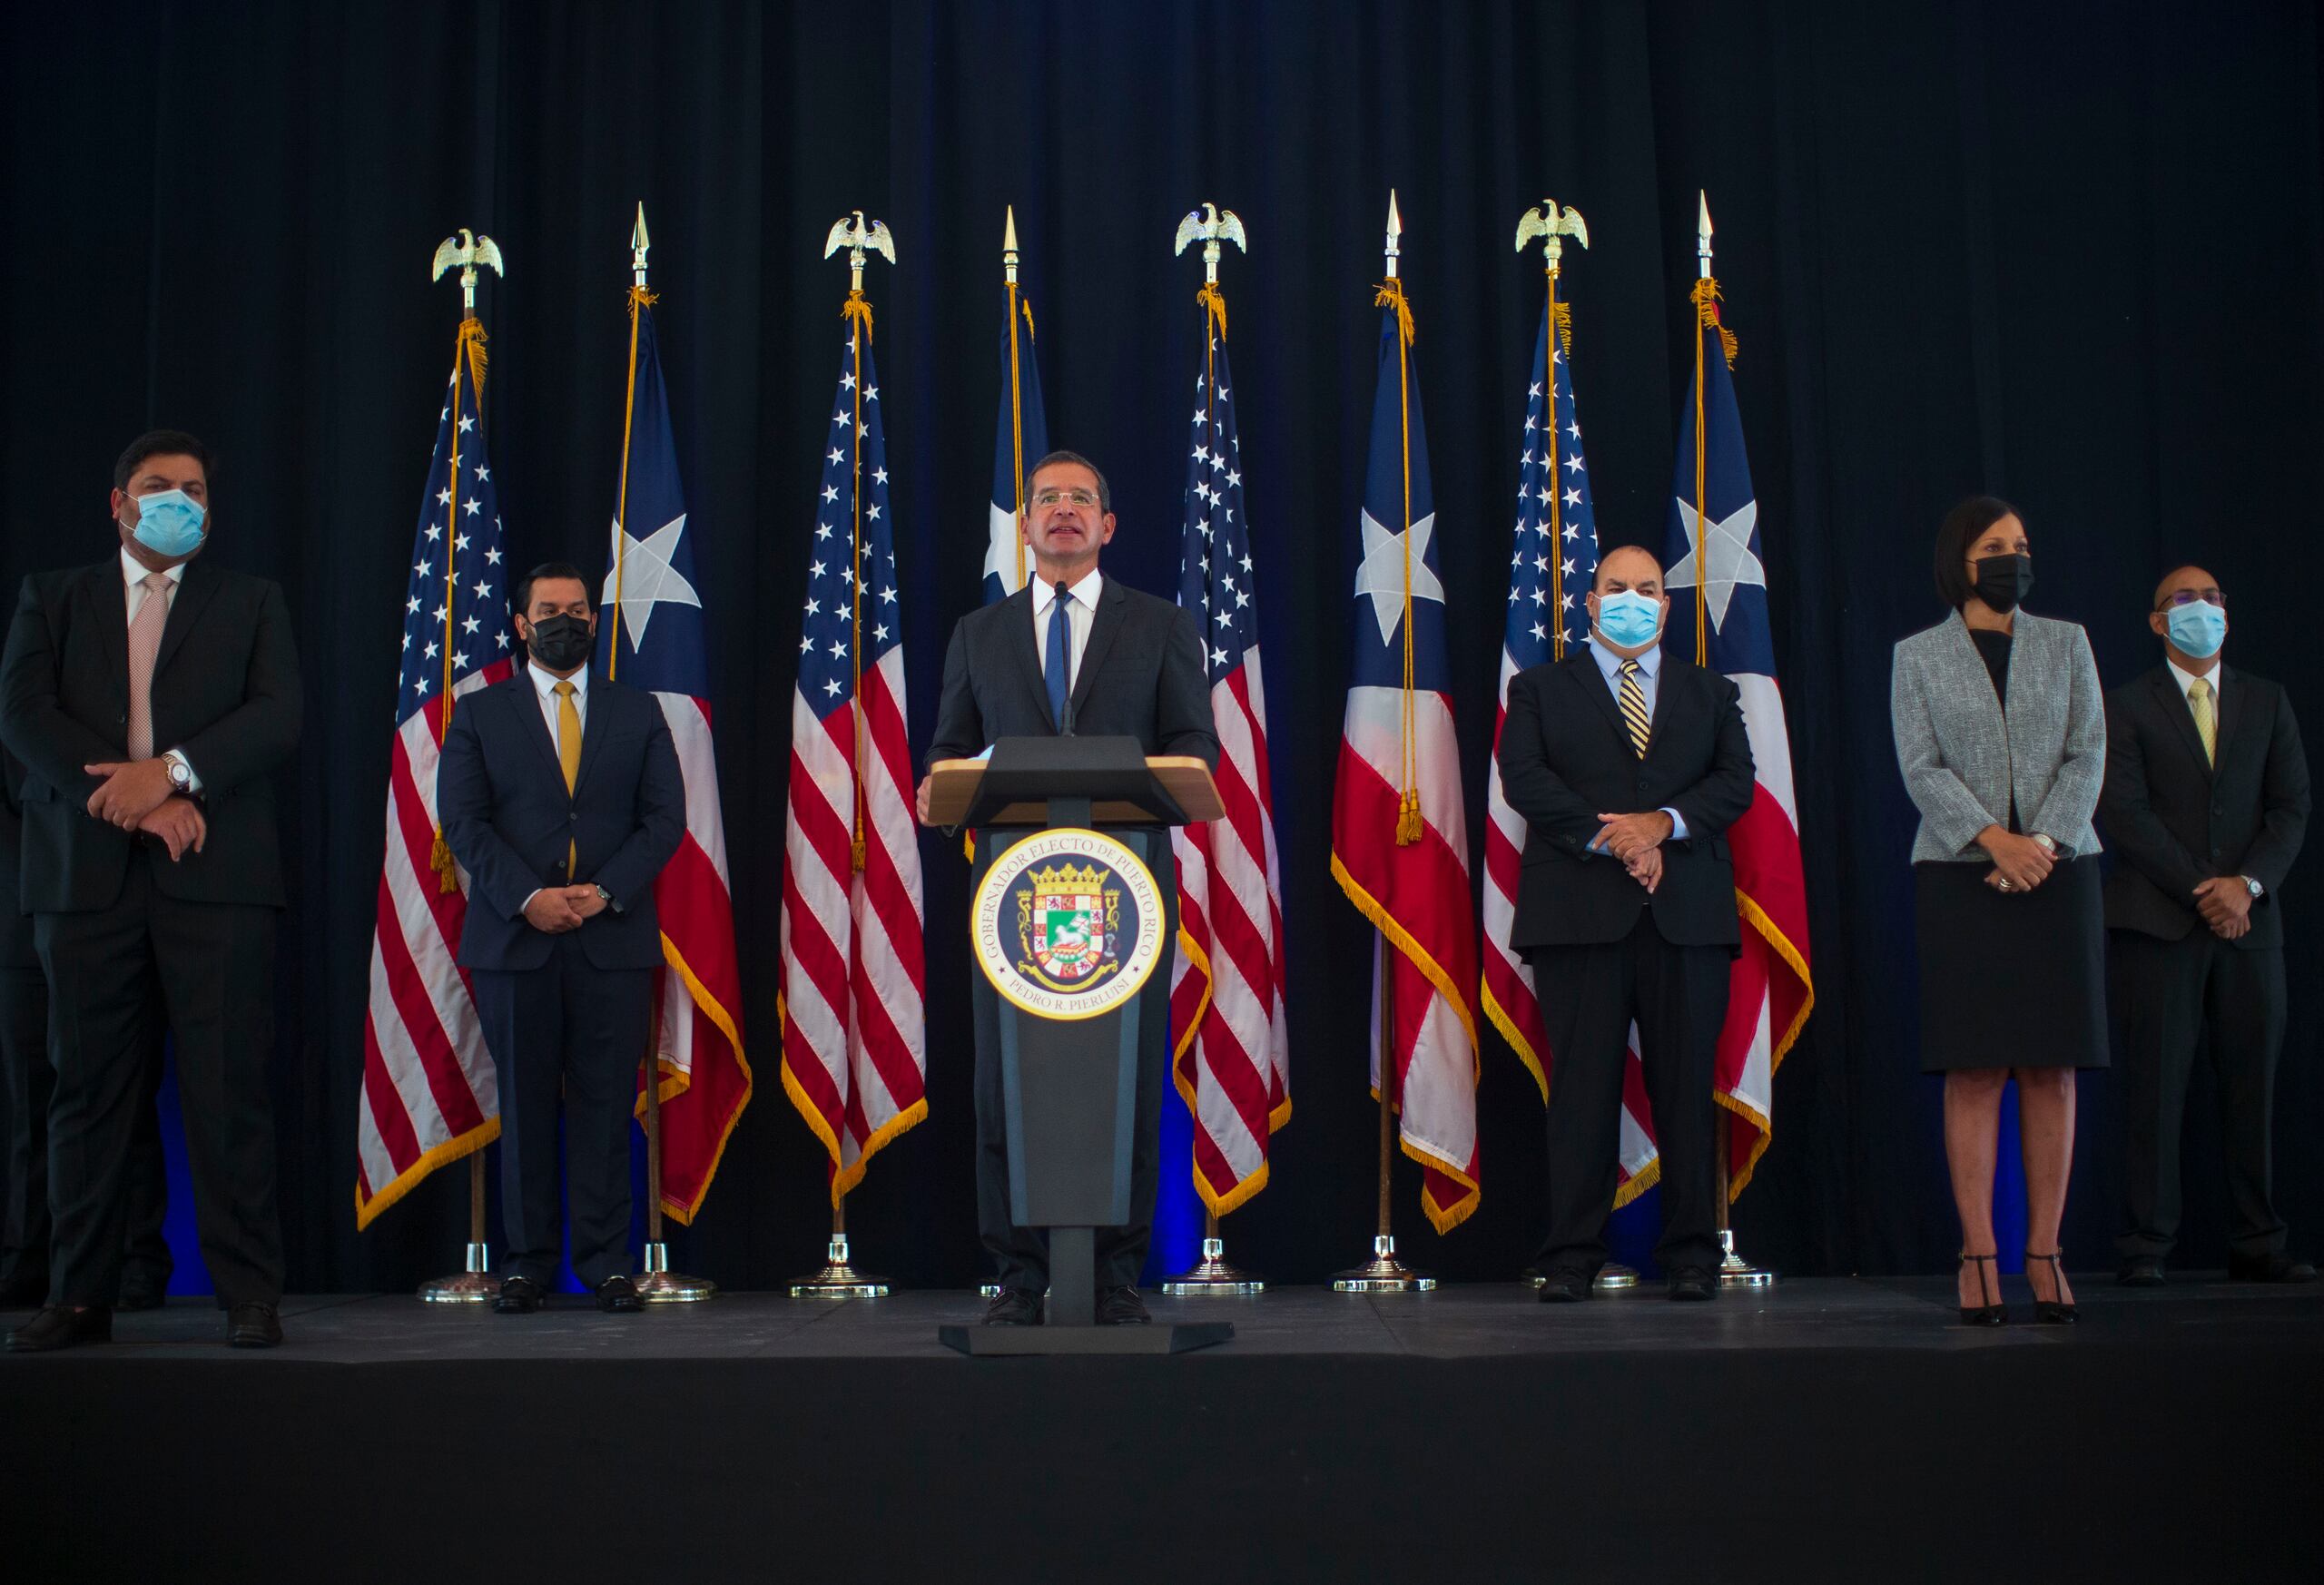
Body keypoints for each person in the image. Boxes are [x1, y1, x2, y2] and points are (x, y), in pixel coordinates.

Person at [0, 429, 300, 1352]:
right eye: (160, 485)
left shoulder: (251, 601)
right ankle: (78, 1295)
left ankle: (249, 1295)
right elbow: (23, 716)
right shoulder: (54, 598)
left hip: (217, 885)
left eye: (197, 488)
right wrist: (136, 804)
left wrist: (170, 774)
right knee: (84, 1097)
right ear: (120, 503)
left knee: (227, 1093)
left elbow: (277, 717)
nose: (181, 499)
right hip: (83, 888)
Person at [918, 450, 1217, 1325]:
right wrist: (955, 781)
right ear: (1025, 523)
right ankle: (1018, 1276)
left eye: (1081, 498)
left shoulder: (1160, 626)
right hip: (1011, 896)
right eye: (1045, 498)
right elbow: (944, 756)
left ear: (1107, 525)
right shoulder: (980, 634)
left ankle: (1118, 1273)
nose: (1062, 511)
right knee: (1004, 1080)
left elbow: (1194, 748)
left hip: (1126, 893)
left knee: (1125, 1074)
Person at [1496, 546, 1755, 1304]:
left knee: (1684, 1092)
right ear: (1591, 601)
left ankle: (1692, 1256)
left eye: (1648, 590)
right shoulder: (1540, 689)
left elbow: (1735, 782)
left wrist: (1662, 825)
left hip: (1688, 917)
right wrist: (1619, 838)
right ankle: (1572, 1254)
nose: (1632, 599)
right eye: (1617, 588)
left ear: (1667, 608)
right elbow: (1525, 779)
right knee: (1580, 1093)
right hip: (1579, 915)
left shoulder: (1711, 692)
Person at [438, 562, 682, 1316]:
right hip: (516, 942)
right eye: (549, 610)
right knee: (526, 1105)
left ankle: (608, 1264)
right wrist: (529, 897)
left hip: (611, 938)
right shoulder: (480, 715)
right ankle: (527, 1264)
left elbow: (664, 822)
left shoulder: (636, 710)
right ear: (520, 624)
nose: (565, 621)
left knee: (607, 1108)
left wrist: (603, 893)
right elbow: (465, 825)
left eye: (578, 609)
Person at [1891, 497, 2106, 1326]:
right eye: (1995, 546)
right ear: (1961, 559)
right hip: (1959, 876)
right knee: (1976, 1068)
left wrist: (2042, 841)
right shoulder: (1918, 655)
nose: (2013, 556)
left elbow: (2089, 749)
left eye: (2021, 544)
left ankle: (2044, 1252)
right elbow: (1921, 764)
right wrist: (1994, 841)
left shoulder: (2068, 643)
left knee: (2053, 1068)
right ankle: (1978, 1253)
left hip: (2061, 870)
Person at [2099, 565, 2313, 1285]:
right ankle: (2146, 1246)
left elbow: (2290, 809)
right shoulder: (2126, 705)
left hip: (2252, 929)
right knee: (2155, 1091)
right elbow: (2123, 814)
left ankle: (2257, 1240)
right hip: (2160, 926)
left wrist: (2246, 886)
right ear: (2159, 622)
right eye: (2185, 600)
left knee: (2253, 1089)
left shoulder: (2268, 700)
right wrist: (2206, 889)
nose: (2204, 608)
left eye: (2215, 597)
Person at [0, 748, 176, 1312]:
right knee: (30, 1093)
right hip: (18, 896)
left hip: (99, 880)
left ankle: (134, 1258)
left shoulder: (90, 663)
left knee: (117, 1077)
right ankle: (29, 1259)